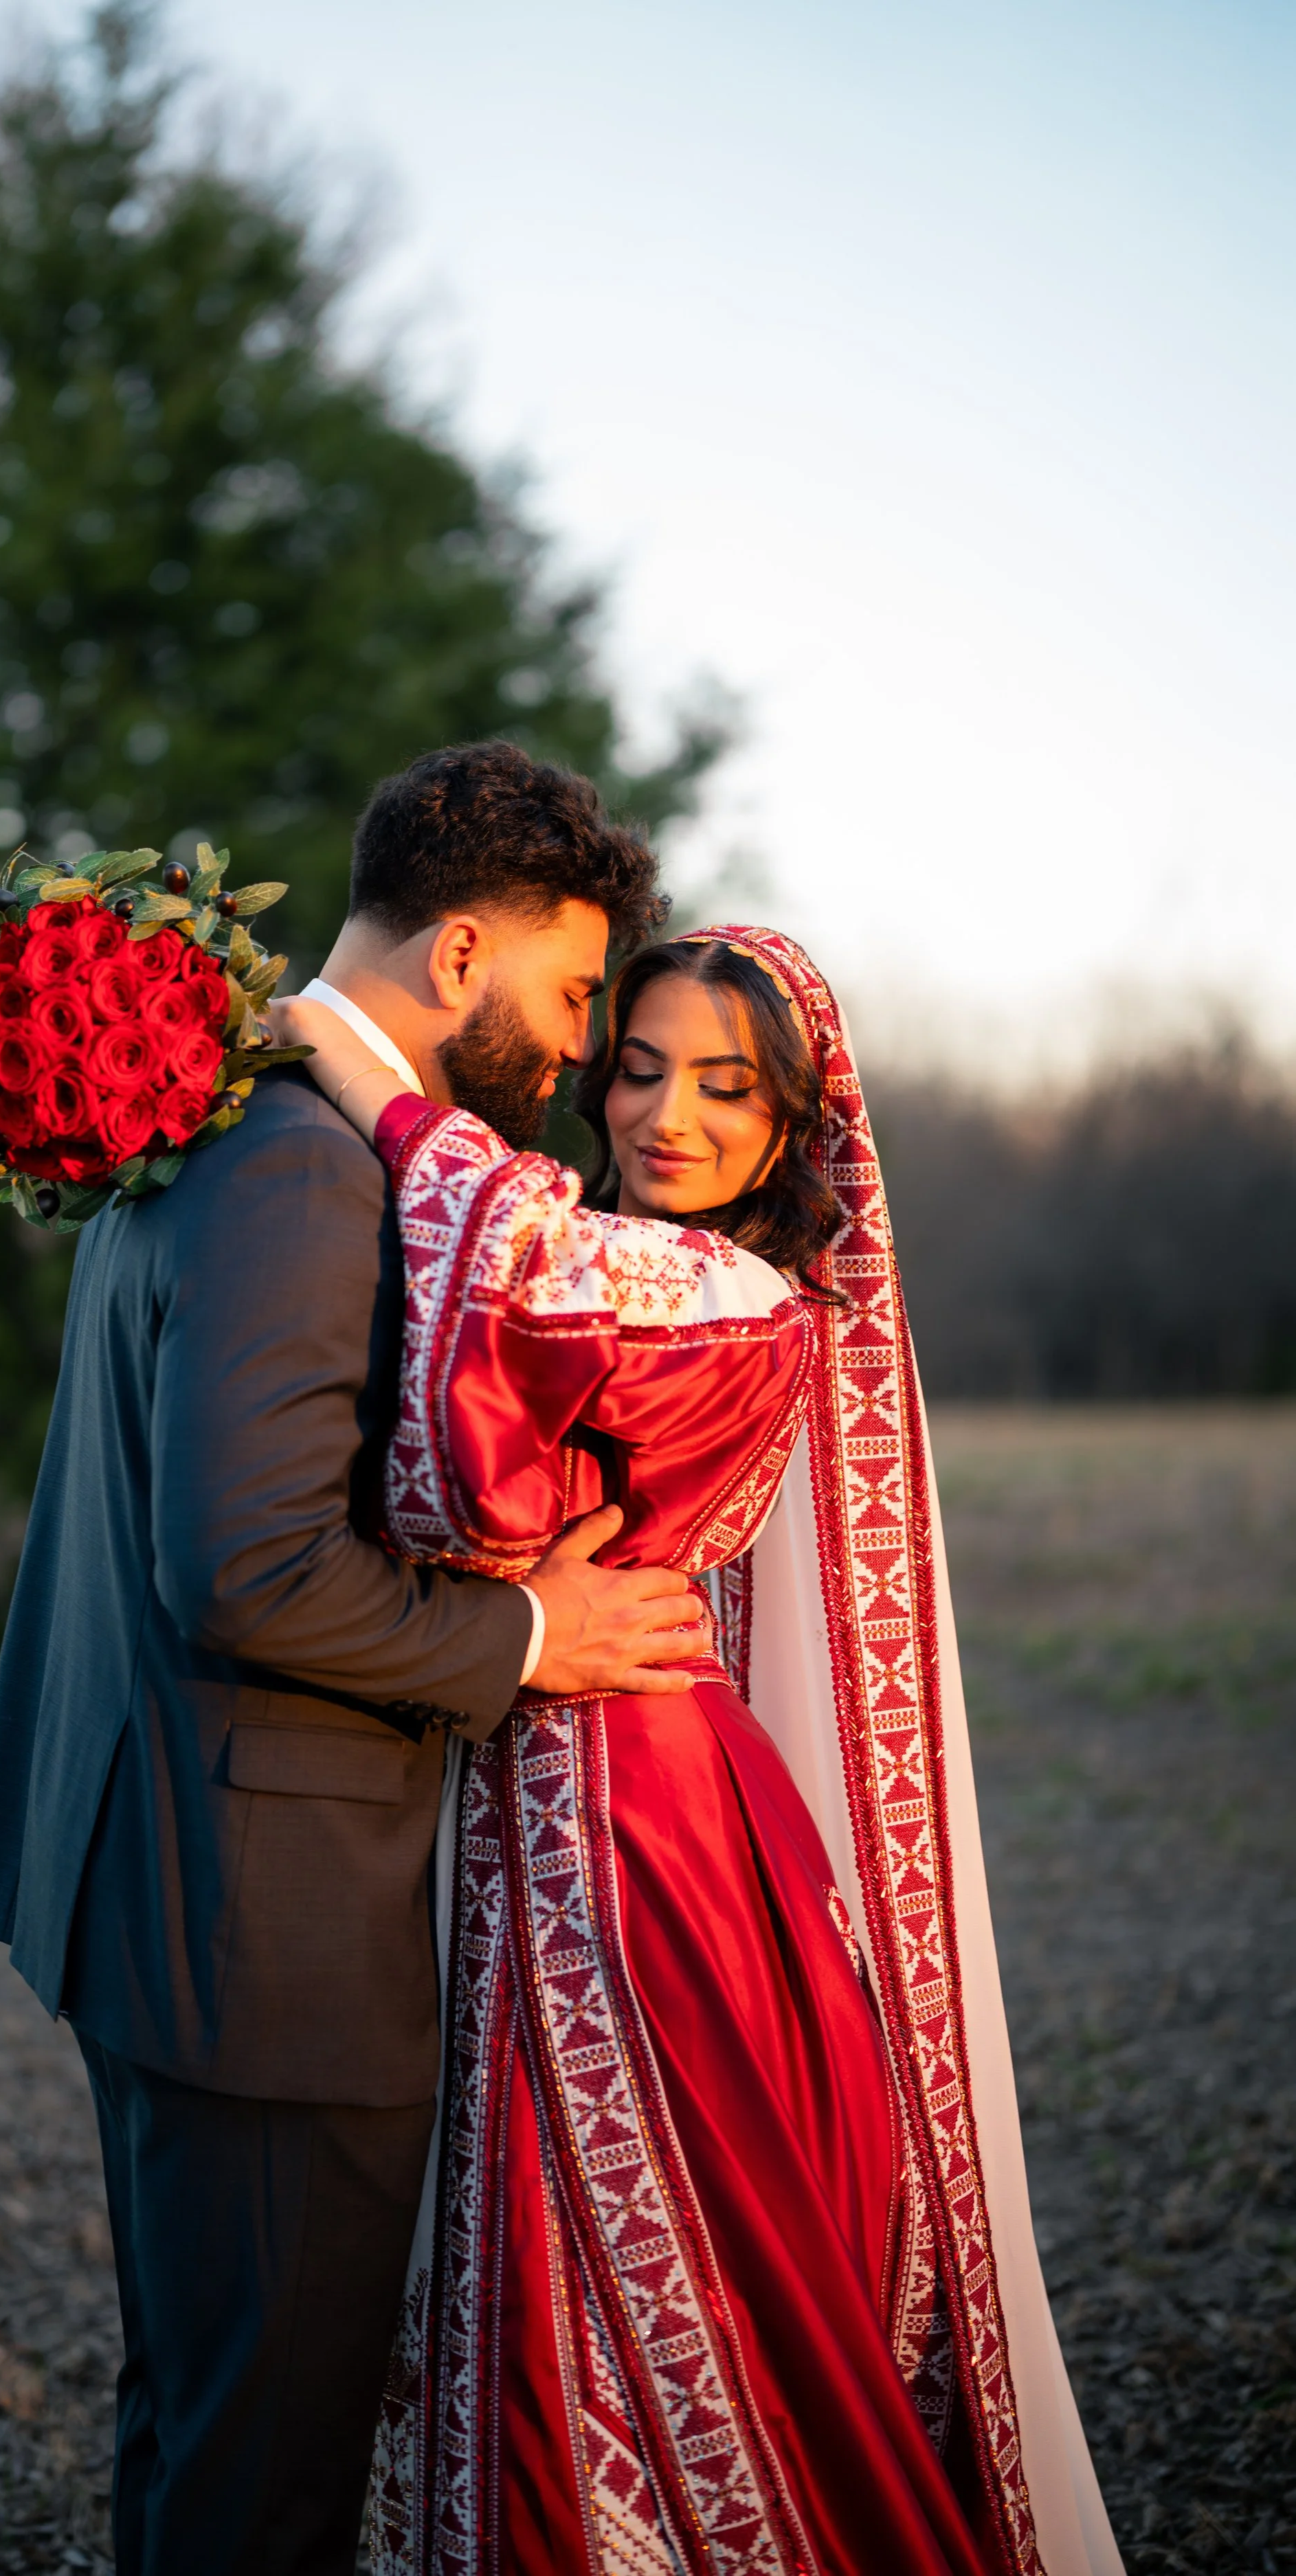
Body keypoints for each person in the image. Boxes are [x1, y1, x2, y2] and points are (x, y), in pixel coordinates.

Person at [0, 742, 711, 2576]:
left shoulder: (216, 1108)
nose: (589, 1036)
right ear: (458, 956)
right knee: (266, 2482)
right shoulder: (302, 1170)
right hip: (260, 1934)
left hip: (154, 1877)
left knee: (198, 2425)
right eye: (575, 985)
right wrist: (535, 1627)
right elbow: (247, 1568)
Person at [276, 927, 1122, 2576]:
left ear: (788, 1124)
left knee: (609, 2247)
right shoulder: (614, 1247)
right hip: (565, 1776)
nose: (668, 1116)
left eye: (724, 1087)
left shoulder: (734, 1299)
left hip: (641, 1826)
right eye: (641, 1069)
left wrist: (340, 1053)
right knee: (529, 2225)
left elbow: (496, 1241)